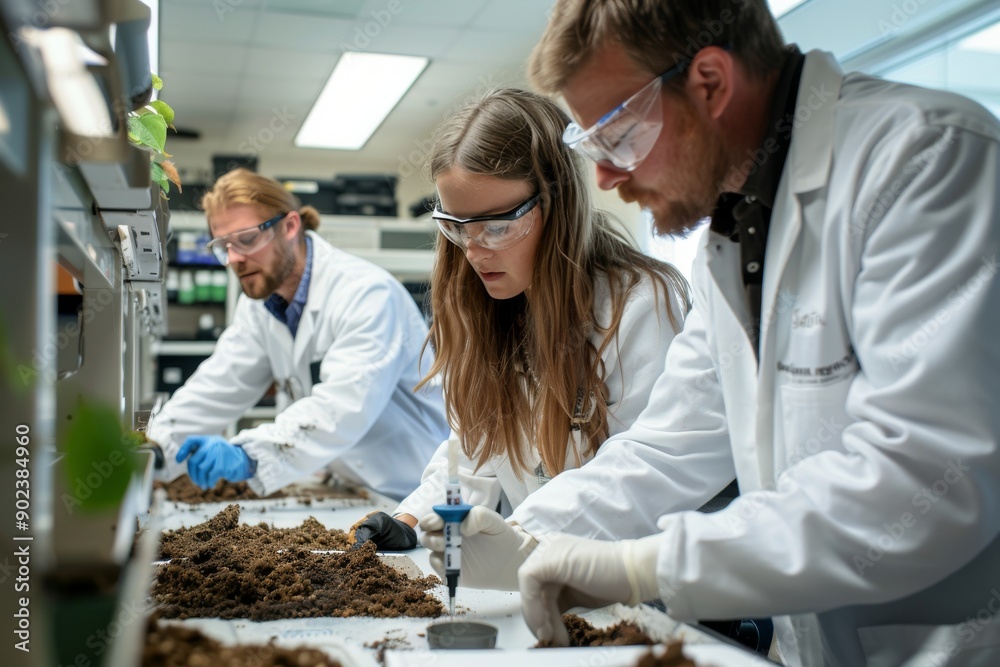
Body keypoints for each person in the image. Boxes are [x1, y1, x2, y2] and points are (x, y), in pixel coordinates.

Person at [435, 2, 1000, 665]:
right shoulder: (731, 236)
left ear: (710, 82)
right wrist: (525, 537)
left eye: (618, 135)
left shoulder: (925, 157)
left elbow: (928, 476)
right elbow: (668, 447)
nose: (605, 177)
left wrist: (646, 566)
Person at [350, 88, 692, 556]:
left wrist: (524, 536)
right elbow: (475, 453)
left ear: (556, 204)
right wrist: (409, 520)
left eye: (496, 227)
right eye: (456, 227)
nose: (473, 252)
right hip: (543, 565)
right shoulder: (495, 307)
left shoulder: (638, 305)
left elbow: (643, 471)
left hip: (630, 572)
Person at [147, 169, 449, 500]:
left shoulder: (368, 295)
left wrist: (248, 454)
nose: (234, 259)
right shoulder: (261, 307)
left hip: (411, 493)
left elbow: (341, 409)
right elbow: (218, 385)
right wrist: (156, 445)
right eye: (224, 246)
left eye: (246, 239)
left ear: (290, 226)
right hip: (350, 487)